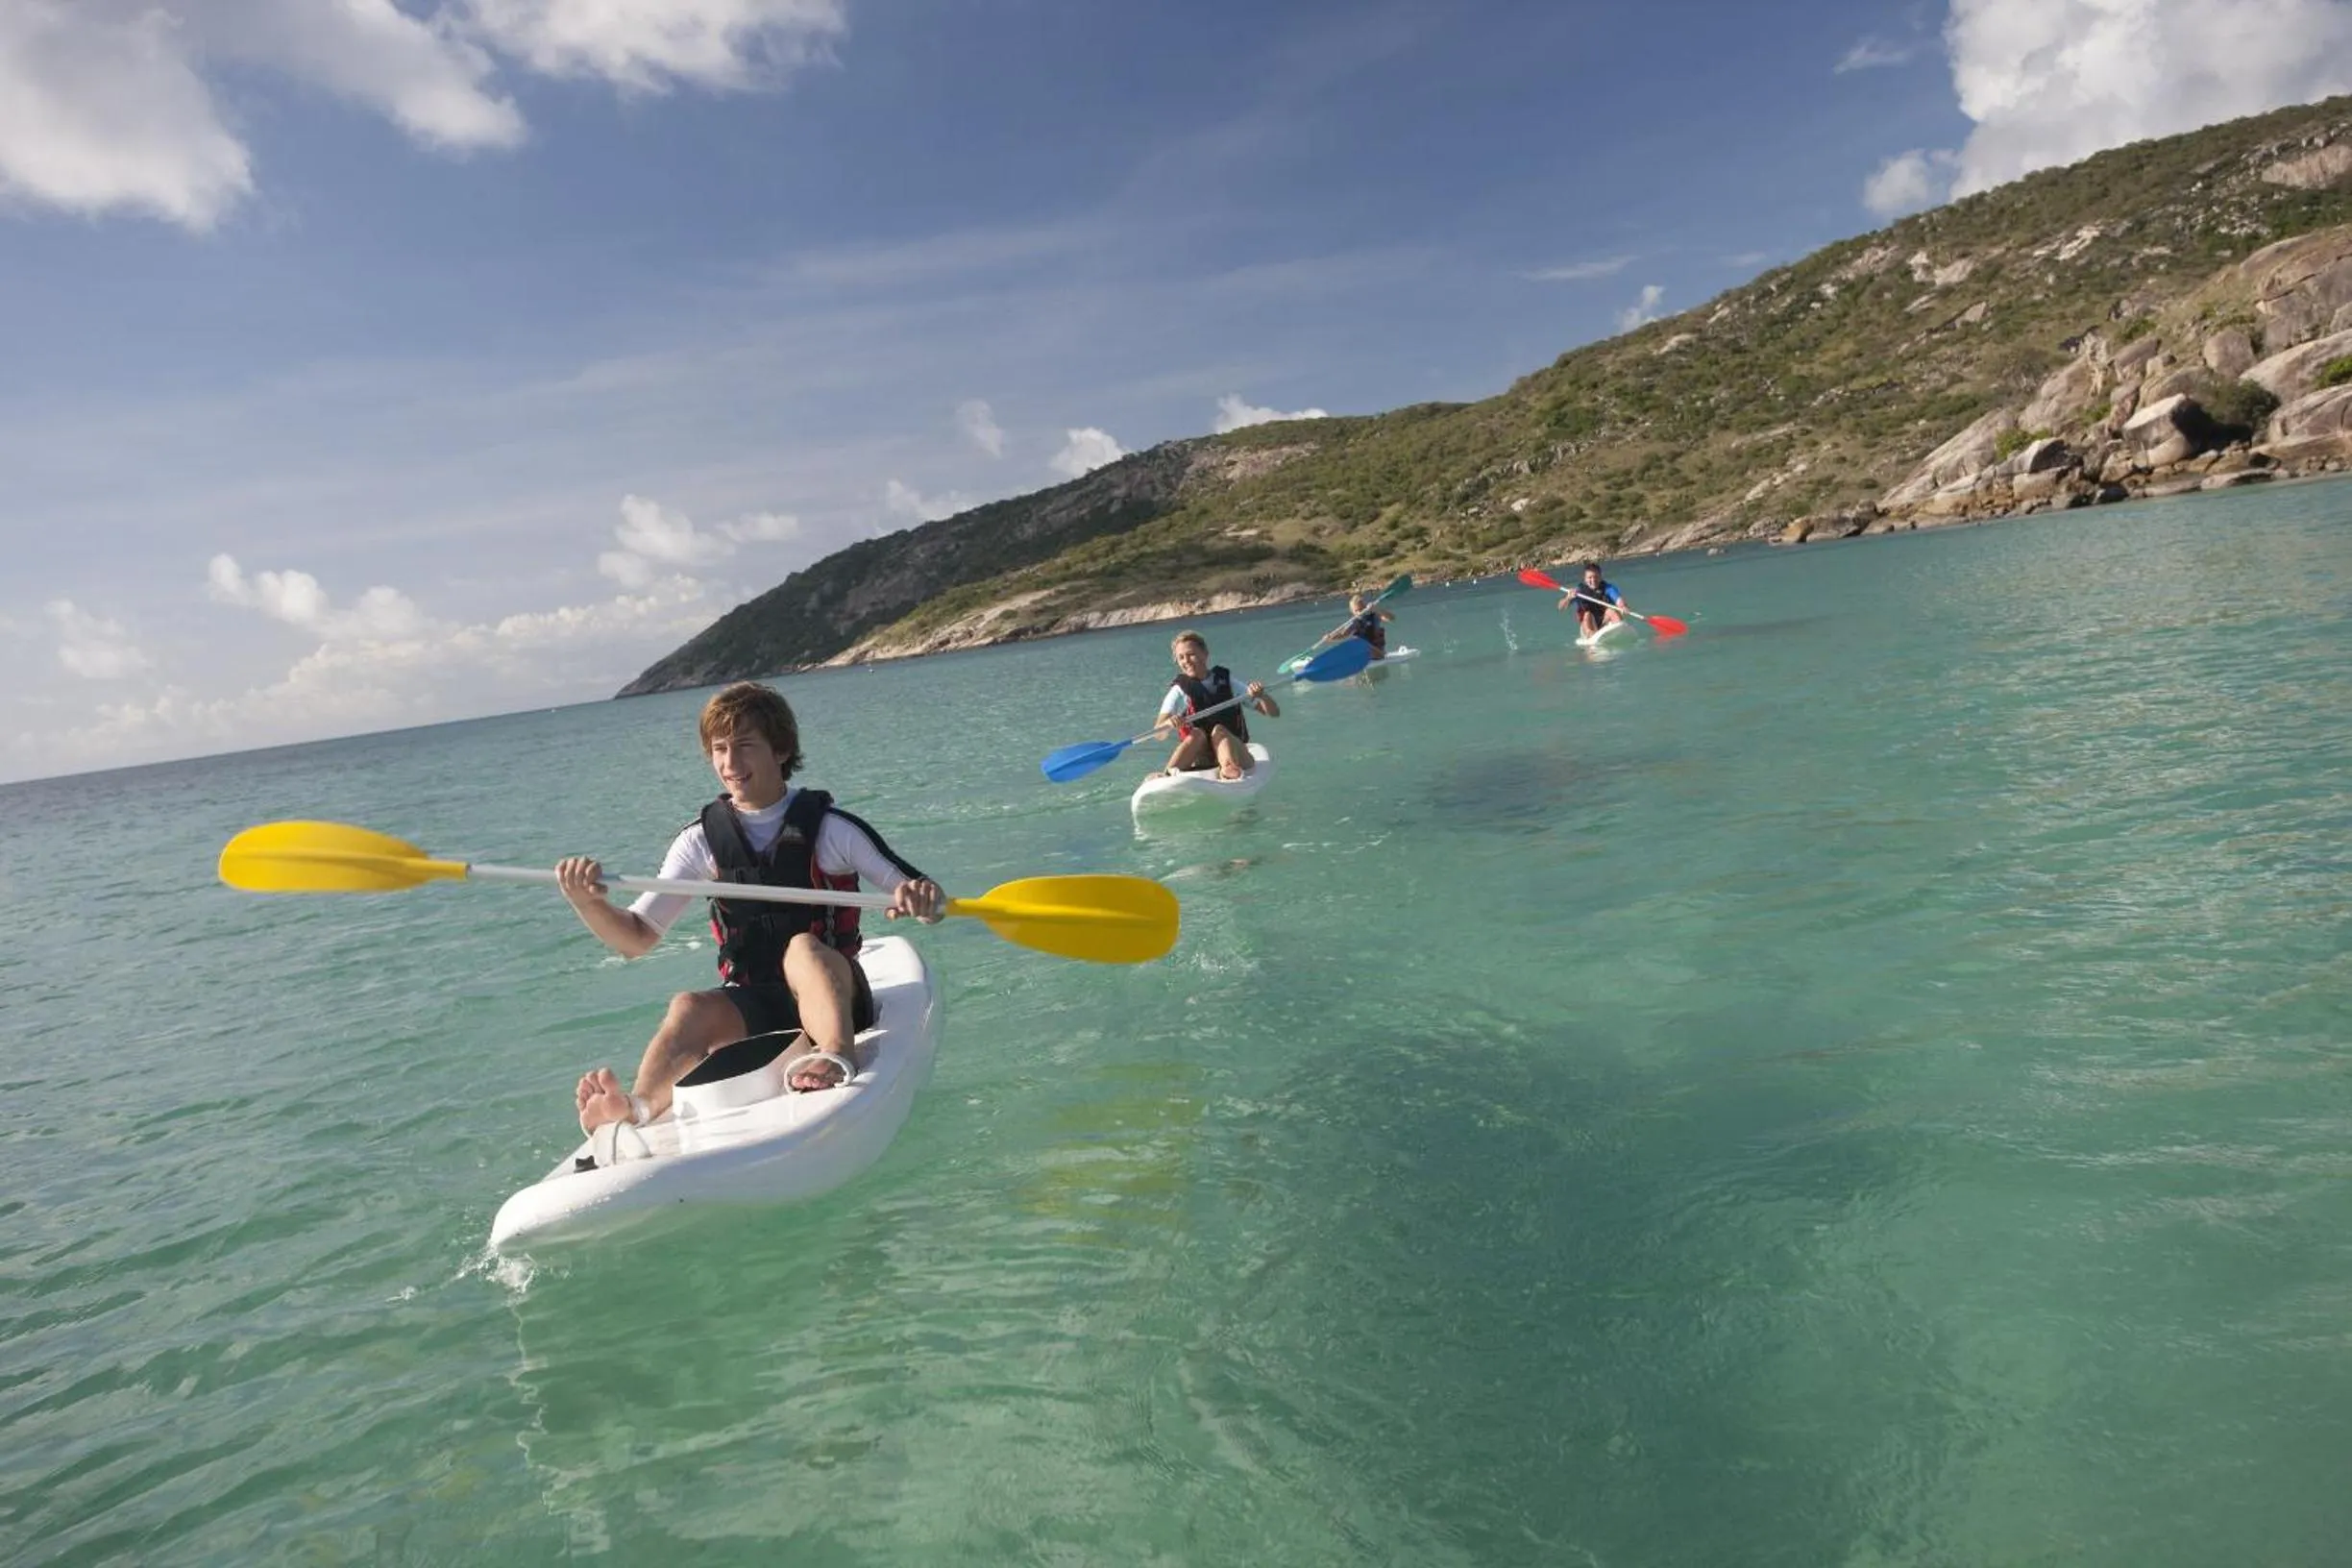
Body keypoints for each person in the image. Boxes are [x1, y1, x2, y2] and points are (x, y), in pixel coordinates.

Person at [557, 681, 944, 1135]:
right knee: (688, 1006)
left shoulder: (833, 830)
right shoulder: (700, 841)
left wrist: (921, 900)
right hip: (757, 1006)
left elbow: (927, 899)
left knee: (803, 948)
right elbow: (637, 938)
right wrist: (588, 903)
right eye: (719, 749)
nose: (730, 763)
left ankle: (836, 1055)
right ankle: (637, 1107)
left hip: (839, 998)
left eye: (744, 746)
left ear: (781, 750)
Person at [1153, 629, 1279, 780]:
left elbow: (1273, 713)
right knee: (1196, 734)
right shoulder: (1179, 691)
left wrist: (1262, 696)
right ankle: (1167, 774)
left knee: (1219, 730)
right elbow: (1158, 734)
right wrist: (1168, 724)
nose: (1186, 661)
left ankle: (1228, 768)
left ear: (1205, 654)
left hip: (1237, 753)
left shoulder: (1227, 681)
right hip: (1202, 761)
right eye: (1181, 658)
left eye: (1191, 654)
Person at [1558, 562, 1627, 637]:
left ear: (1600, 577)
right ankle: (1591, 635)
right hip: (1589, 624)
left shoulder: (1608, 588)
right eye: (1590, 578)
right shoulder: (1579, 591)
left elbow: (1618, 600)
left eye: (1596, 577)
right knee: (1587, 614)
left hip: (1605, 620)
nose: (1593, 580)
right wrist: (1568, 598)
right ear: (1585, 579)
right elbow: (1561, 607)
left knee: (1611, 611)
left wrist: (1623, 606)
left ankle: (1620, 630)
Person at [1320, 592, 1392, 659]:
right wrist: (1330, 637)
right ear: (1352, 611)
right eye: (1356, 611)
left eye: (1361, 609)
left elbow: (1391, 618)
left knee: (1360, 644)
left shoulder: (1375, 615)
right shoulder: (1354, 622)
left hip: (1378, 653)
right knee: (1352, 644)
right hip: (1362, 653)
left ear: (1365, 607)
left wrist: (1376, 609)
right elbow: (1343, 634)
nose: (1359, 612)